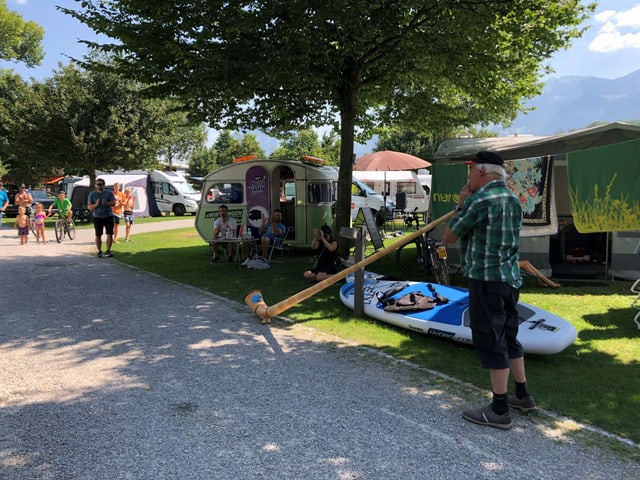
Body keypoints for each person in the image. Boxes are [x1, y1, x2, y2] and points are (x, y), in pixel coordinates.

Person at [442, 151, 536, 430]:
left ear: (482, 172)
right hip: (509, 279)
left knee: (490, 339)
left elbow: (449, 236)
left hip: (486, 280)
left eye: (470, 172)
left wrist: (460, 204)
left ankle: (499, 409)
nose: (469, 177)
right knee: (509, 337)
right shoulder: (512, 198)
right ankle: (523, 395)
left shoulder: (479, 200)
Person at [88, 178, 116, 258]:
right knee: (98, 234)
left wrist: (106, 203)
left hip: (108, 216)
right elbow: (89, 206)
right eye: (97, 184)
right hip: (97, 216)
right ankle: (99, 251)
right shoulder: (92, 194)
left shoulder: (109, 193)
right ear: (95, 185)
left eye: (100, 184)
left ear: (104, 185)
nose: (99, 186)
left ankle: (108, 250)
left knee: (109, 233)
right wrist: (96, 205)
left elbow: (114, 203)